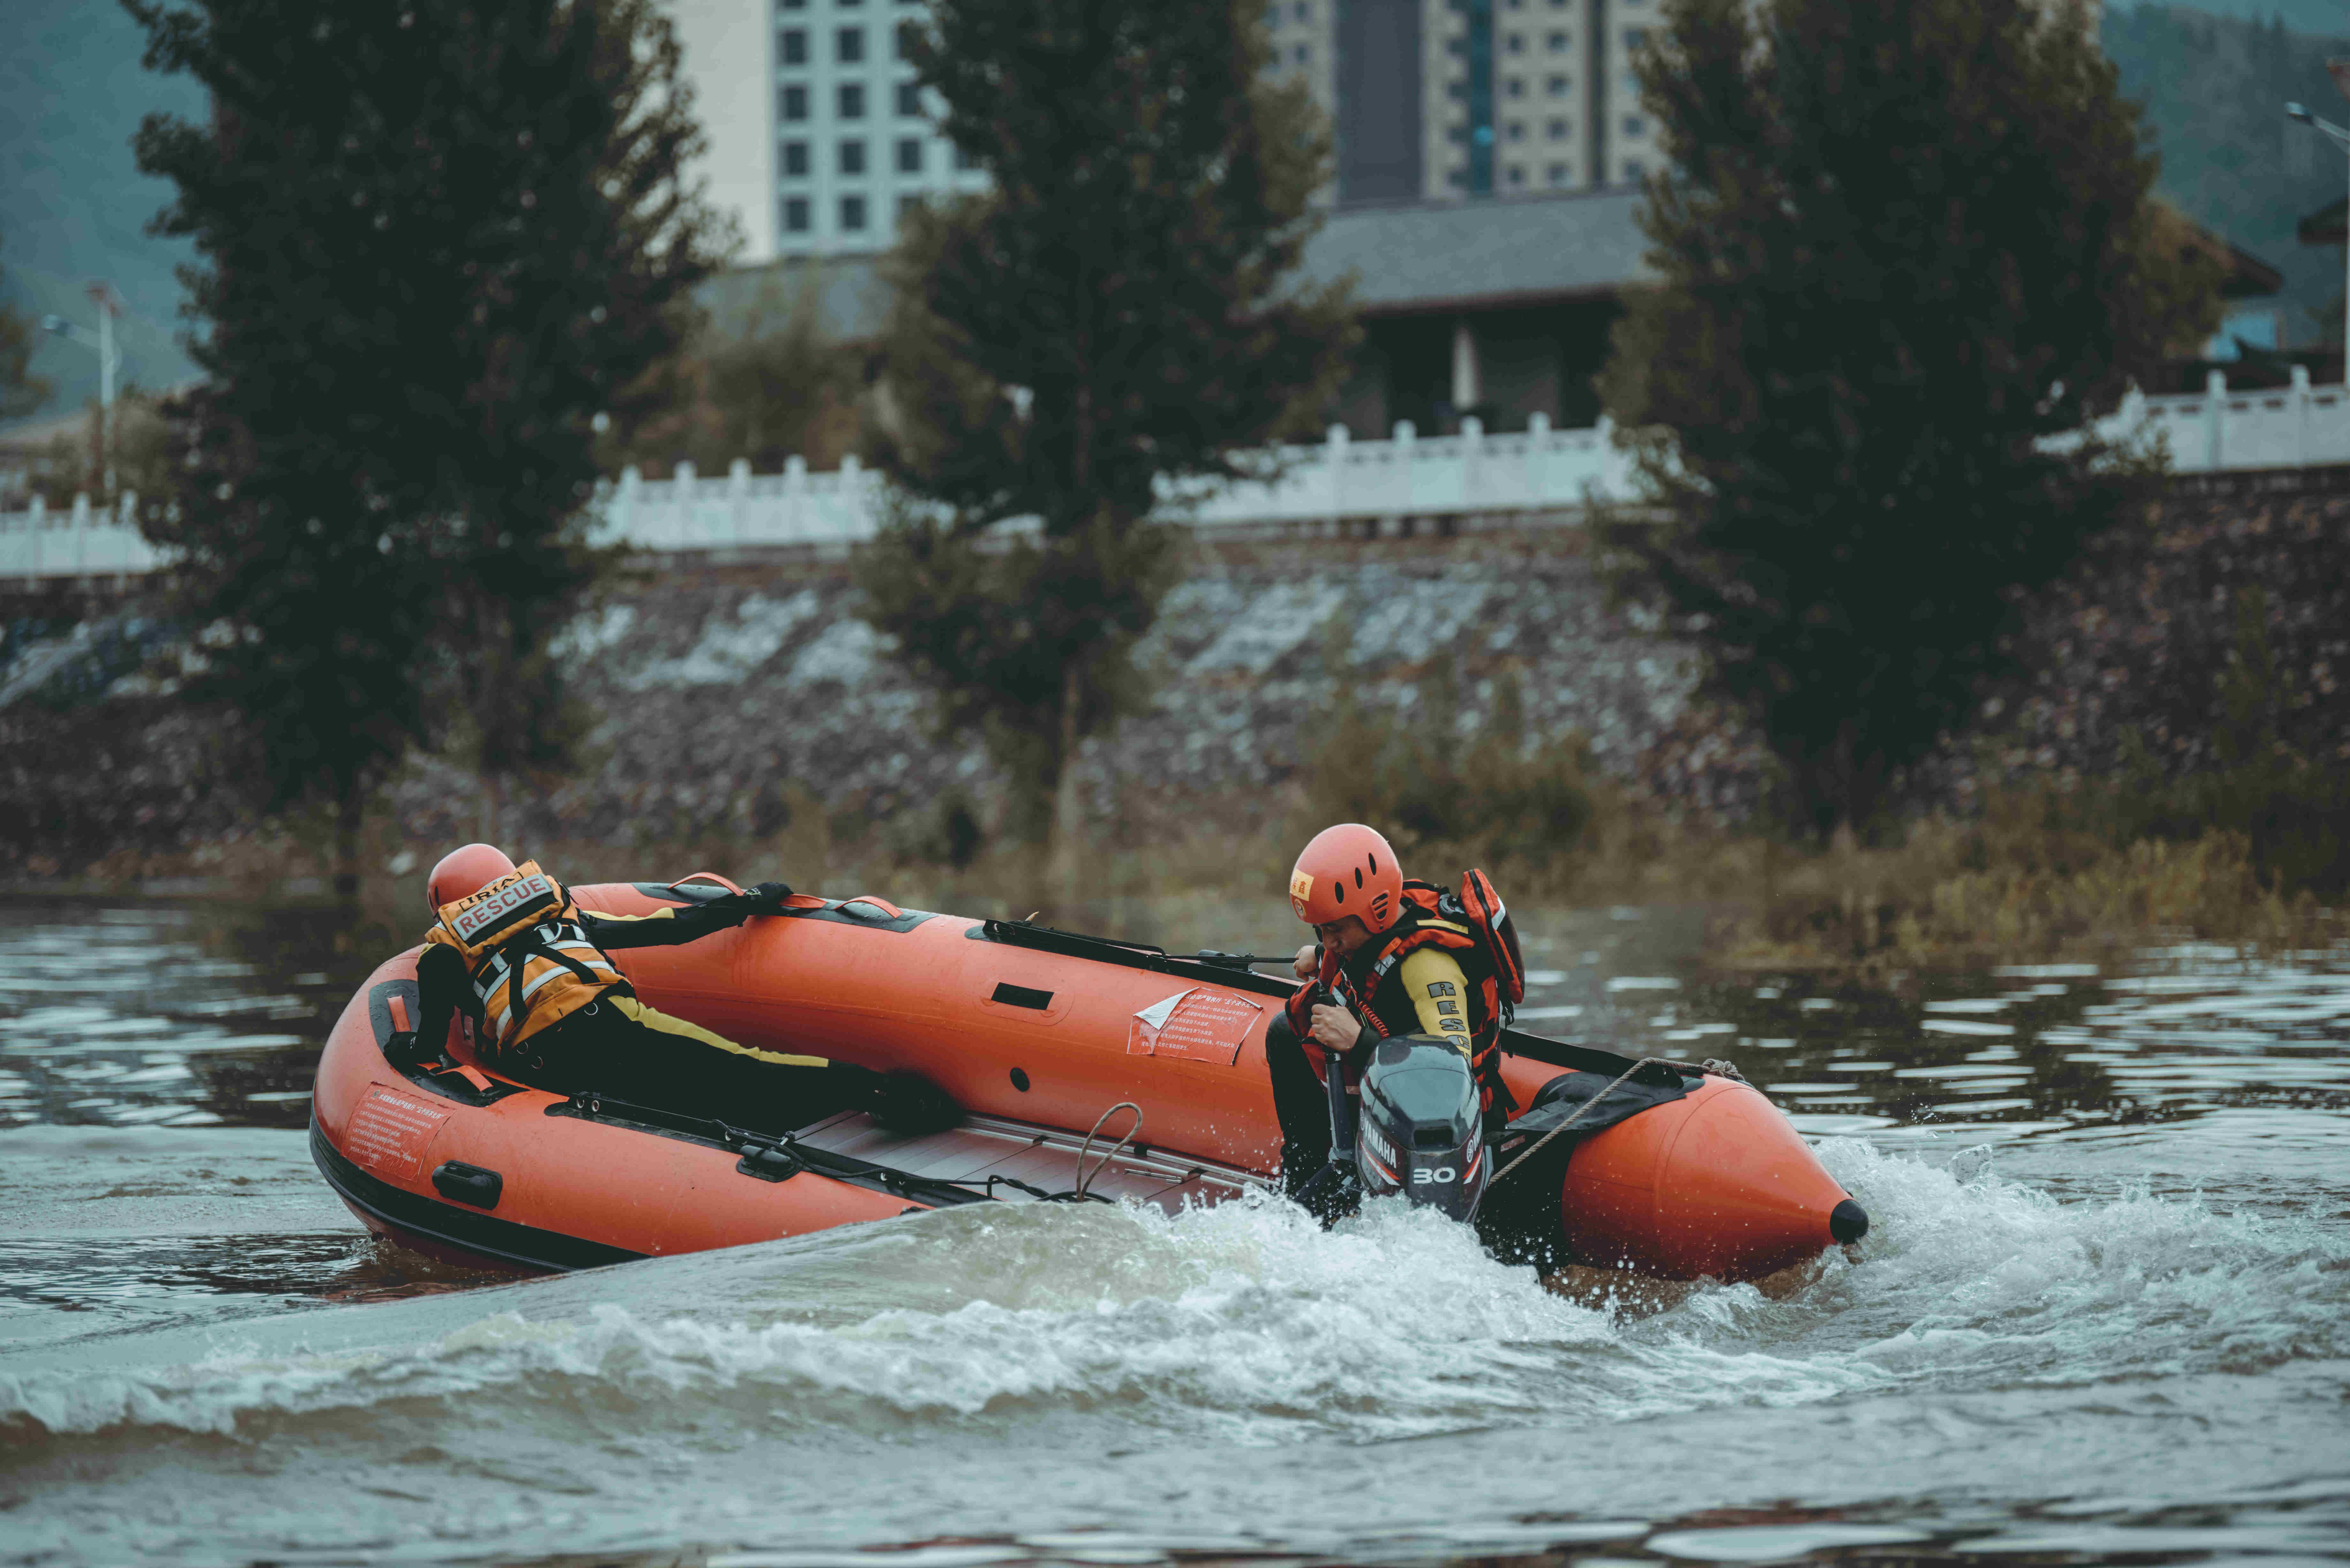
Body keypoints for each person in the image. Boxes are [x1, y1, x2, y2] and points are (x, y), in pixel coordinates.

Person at [386, 842, 833, 1122]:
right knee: (746, 1066)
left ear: (443, 903)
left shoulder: (443, 951)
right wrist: (749, 901)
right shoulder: (561, 912)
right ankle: (874, 1090)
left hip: (542, 1063)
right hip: (612, 1025)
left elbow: (429, 1043)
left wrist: (403, 1049)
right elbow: (670, 927)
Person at [1266, 823, 1513, 1201]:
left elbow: (1451, 1083)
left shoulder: (1429, 967)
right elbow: (1372, 961)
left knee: (1295, 1225)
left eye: (1334, 930)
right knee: (1286, 1031)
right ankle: (1300, 1172)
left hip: (1433, 1141)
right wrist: (1321, 956)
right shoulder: (1375, 932)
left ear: (1375, 910)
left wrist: (1359, 1042)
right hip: (1380, 1102)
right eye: (1320, 931)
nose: (1329, 942)